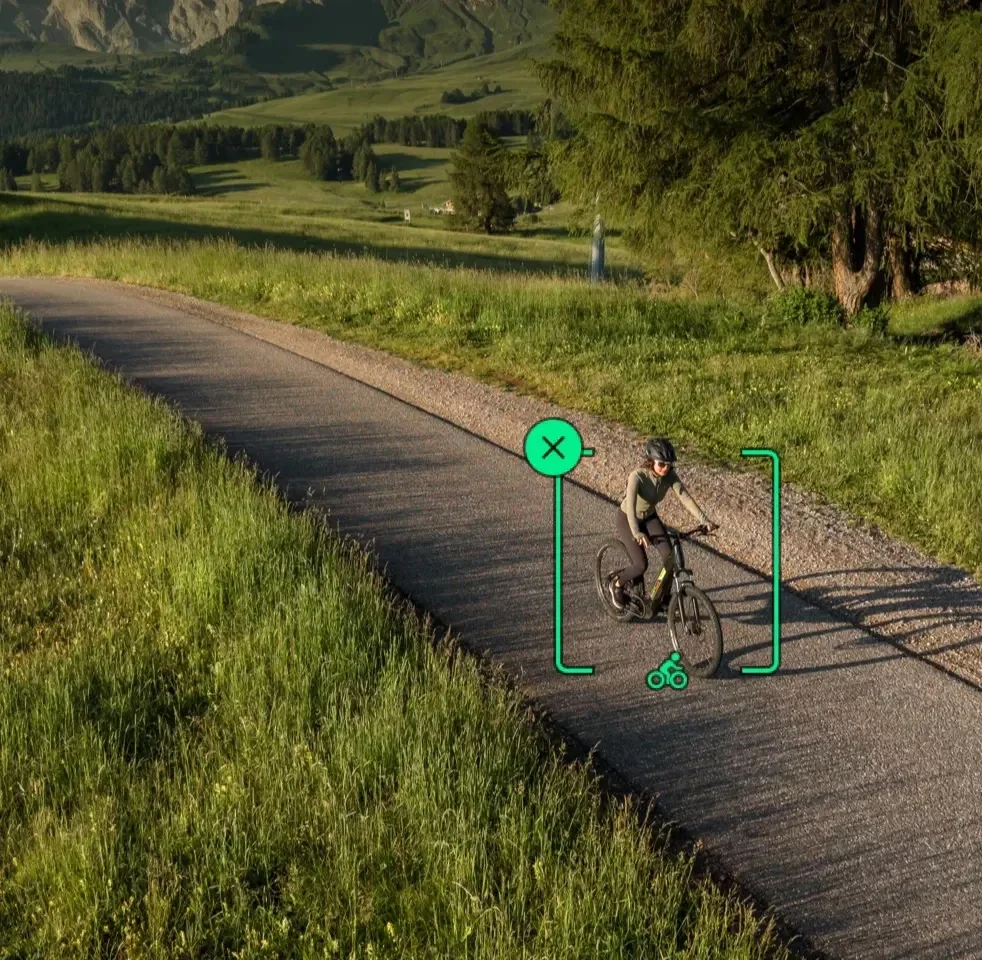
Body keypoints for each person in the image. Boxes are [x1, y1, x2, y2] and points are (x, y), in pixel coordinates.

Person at [609, 437, 717, 611]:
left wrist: (704, 520)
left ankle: (661, 598)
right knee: (640, 565)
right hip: (628, 519)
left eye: (669, 464)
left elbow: (685, 497)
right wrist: (637, 533)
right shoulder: (637, 476)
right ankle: (617, 584)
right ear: (651, 461)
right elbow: (630, 507)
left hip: (650, 517)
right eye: (661, 464)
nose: (666, 468)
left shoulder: (669, 476)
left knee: (670, 558)